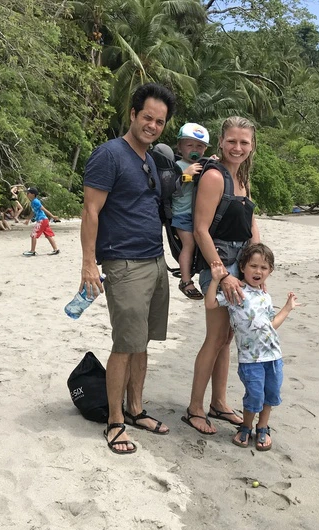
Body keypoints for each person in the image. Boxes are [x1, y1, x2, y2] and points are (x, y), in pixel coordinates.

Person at [80, 83, 176, 455]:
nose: (152, 125)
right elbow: (91, 211)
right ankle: (116, 421)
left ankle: (136, 408)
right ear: (133, 114)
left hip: (154, 260)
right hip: (122, 263)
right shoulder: (109, 155)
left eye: (160, 121)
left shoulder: (149, 158)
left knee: (143, 342)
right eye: (147, 117)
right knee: (124, 344)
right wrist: (89, 264)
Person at [184, 116, 261, 435]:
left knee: (227, 338)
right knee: (215, 337)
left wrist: (258, 265)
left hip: (240, 264)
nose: (238, 147)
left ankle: (218, 402)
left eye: (244, 142)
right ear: (221, 141)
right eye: (232, 141)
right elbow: (200, 229)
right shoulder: (214, 177)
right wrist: (222, 274)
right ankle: (195, 408)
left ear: (252, 145)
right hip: (218, 266)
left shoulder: (241, 176)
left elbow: (251, 224)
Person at [204, 244, 297, 451]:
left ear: (270, 271)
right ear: (242, 268)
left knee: (270, 394)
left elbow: (271, 324)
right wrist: (216, 280)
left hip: (273, 356)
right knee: (254, 395)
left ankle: (262, 427)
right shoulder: (235, 291)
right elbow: (210, 304)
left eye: (264, 268)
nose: (258, 271)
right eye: (253, 266)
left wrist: (287, 308)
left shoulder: (266, 296)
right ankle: (246, 426)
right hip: (250, 359)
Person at [173, 123, 211, 300]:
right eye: (189, 145)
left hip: (198, 215)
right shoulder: (178, 166)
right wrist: (186, 175)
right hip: (182, 214)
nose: (195, 149)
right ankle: (185, 280)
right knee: (189, 245)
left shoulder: (202, 164)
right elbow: (170, 189)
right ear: (180, 146)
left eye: (199, 146)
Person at [22, 188, 60, 256]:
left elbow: (43, 209)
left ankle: (32, 251)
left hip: (42, 220)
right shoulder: (33, 202)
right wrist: (28, 219)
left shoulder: (36, 201)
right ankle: (56, 250)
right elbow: (33, 212)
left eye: (28, 193)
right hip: (44, 220)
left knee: (33, 235)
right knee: (48, 235)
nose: (27, 194)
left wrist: (52, 216)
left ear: (33, 194)